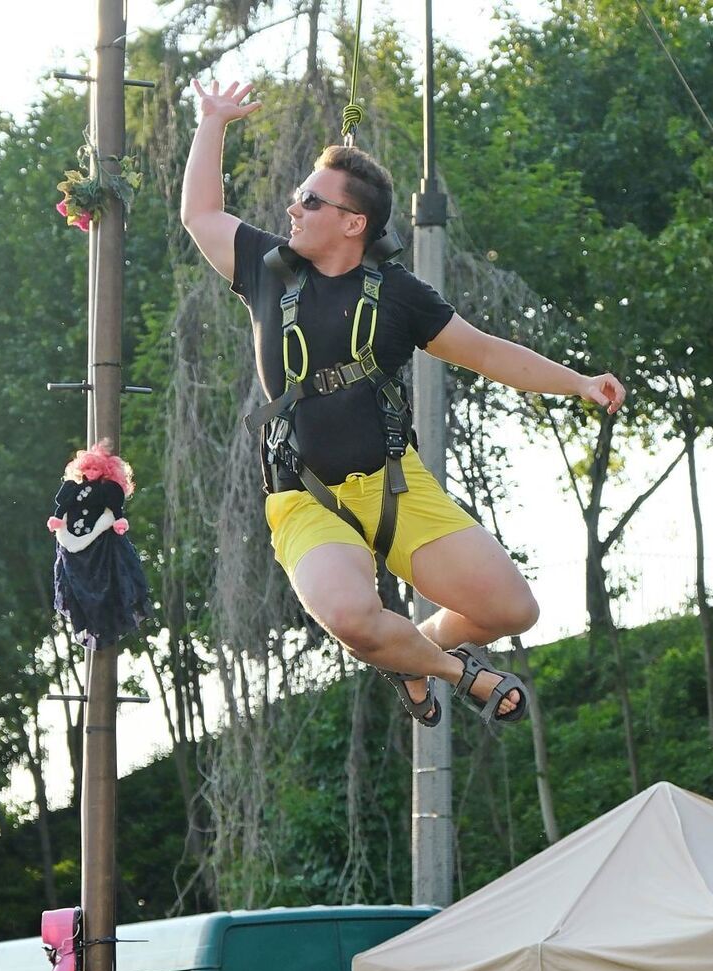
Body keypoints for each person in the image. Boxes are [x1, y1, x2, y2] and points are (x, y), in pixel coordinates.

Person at [180, 77, 626, 728]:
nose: (292, 207)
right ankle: (456, 674)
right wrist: (213, 121)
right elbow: (201, 215)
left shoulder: (398, 293)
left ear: (353, 223)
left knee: (513, 610)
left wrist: (579, 382)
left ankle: (421, 653)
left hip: (393, 486)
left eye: (310, 199)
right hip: (305, 494)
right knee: (352, 617)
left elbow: (489, 352)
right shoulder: (266, 267)